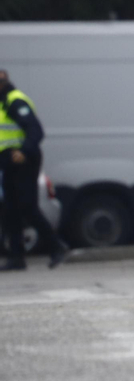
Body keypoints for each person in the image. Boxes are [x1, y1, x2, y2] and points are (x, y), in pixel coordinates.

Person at [1, 69, 67, 271]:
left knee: (27, 207)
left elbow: (36, 130)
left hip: (23, 161)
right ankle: (17, 258)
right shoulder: (3, 102)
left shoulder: (15, 101)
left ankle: (57, 247)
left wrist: (24, 151)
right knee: (11, 210)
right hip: (8, 162)